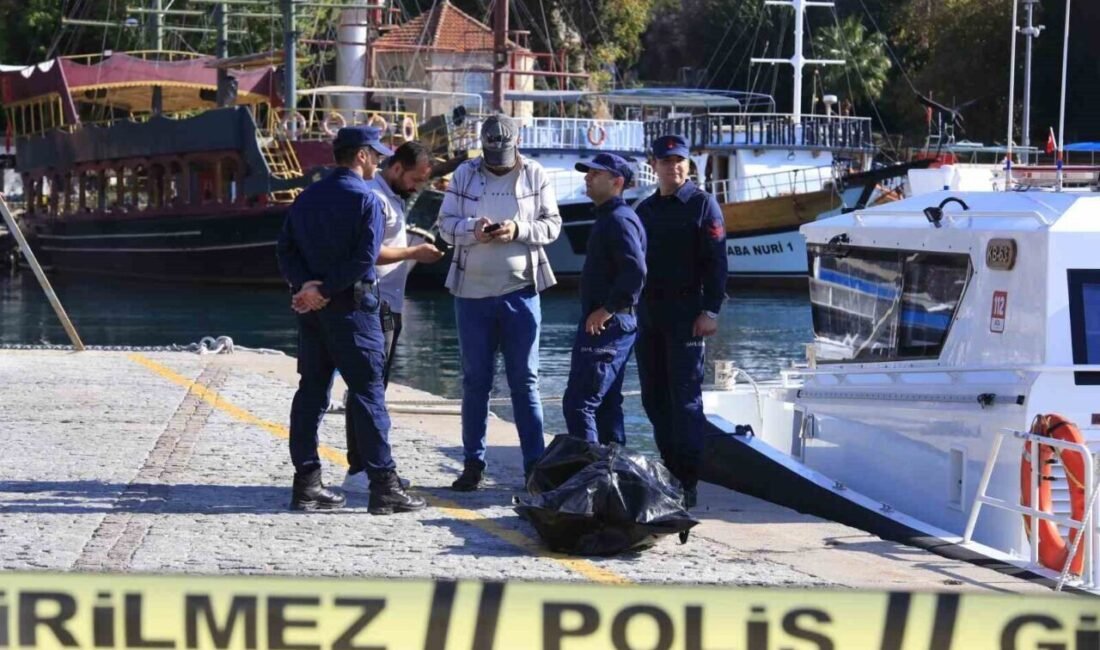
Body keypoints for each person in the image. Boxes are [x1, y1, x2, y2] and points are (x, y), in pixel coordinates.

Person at [275, 125, 426, 515]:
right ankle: (384, 487)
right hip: (354, 310)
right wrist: (325, 290)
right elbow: (364, 258)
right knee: (369, 394)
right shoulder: (367, 201)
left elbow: (285, 249)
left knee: (311, 393)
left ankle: (306, 484)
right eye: (375, 154)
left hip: (314, 314)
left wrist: (306, 287)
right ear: (360, 155)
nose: (379, 160)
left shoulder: (306, 197)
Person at [437, 113, 562, 491]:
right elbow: (444, 225)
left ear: (517, 144)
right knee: (476, 381)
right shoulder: (464, 174)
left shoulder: (536, 174)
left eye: (503, 156)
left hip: (521, 291)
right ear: (483, 146)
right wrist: (472, 231)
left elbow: (552, 225)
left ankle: (534, 467)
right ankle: (473, 464)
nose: (498, 162)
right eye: (492, 156)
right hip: (470, 295)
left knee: (525, 381)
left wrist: (518, 230)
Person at [342, 141, 444, 495]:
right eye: (415, 178)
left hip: (390, 305)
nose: (418, 187)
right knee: (367, 389)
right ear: (397, 168)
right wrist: (415, 251)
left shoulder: (394, 196)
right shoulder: (375, 197)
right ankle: (360, 469)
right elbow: (368, 253)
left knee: (375, 388)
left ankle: (369, 465)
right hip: (375, 305)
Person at [634, 134, 728, 509]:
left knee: (685, 401)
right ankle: (669, 472)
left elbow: (717, 261)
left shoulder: (704, 205)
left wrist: (711, 310)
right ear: (653, 165)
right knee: (654, 399)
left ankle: (687, 482)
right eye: (666, 161)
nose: (673, 167)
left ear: (688, 165)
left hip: (688, 316)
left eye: (680, 161)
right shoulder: (645, 210)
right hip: (650, 316)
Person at [561, 153, 646, 445]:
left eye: (596, 174)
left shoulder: (619, 221)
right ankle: (611, 473)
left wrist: (608, 309)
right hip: (610, 323)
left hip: (607, 326)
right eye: (588, 173)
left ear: (617, 182)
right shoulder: (610, 218)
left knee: (579, 404)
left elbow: (635, 271)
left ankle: (590, 478)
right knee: (607, 405)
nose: (588, 177)